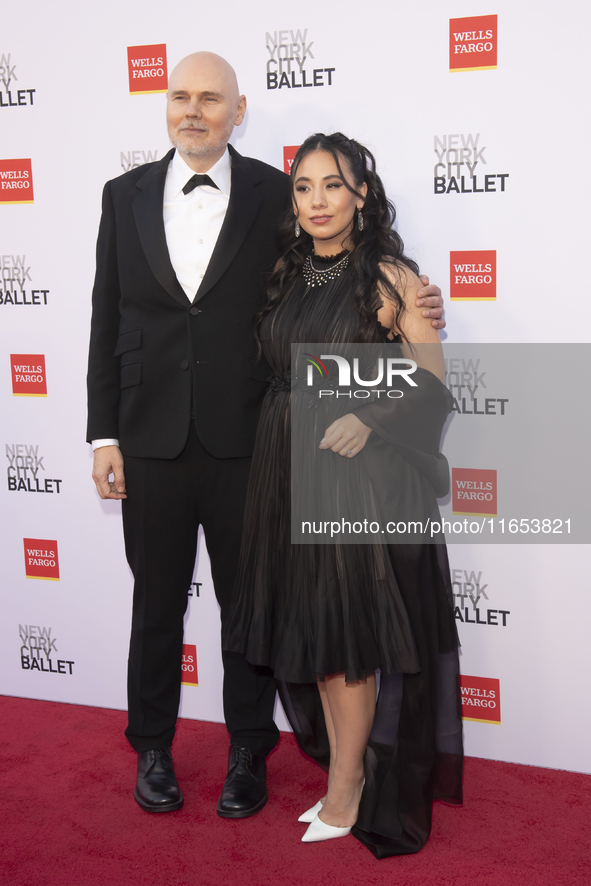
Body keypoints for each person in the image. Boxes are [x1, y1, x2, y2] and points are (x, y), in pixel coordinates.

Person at [86, 53, 447, 818]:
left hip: (252, 441)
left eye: (210, 98)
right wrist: (101, 436)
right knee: (155, 602)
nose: (194, 110)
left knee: (245, 606)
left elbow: (345, 266)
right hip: (148, 437)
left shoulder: (272, 197)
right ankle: (152, 746)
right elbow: (105, 318)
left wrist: (414, 298)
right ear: (165, 104)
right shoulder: (122, 197)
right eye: (180, 96)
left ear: (237, 108)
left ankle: (249, 746)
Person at [224, 132, 462, 857]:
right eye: (304, 187)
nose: (317, 201)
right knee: (320, 638)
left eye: (333, 185)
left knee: (346, 639)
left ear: (362, 193)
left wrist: (368, 411)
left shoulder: (390, 278)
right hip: (286, 466)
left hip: (355, 477)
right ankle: (346, 774)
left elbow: (434, 382)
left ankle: (347, 787)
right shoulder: (285, 271)